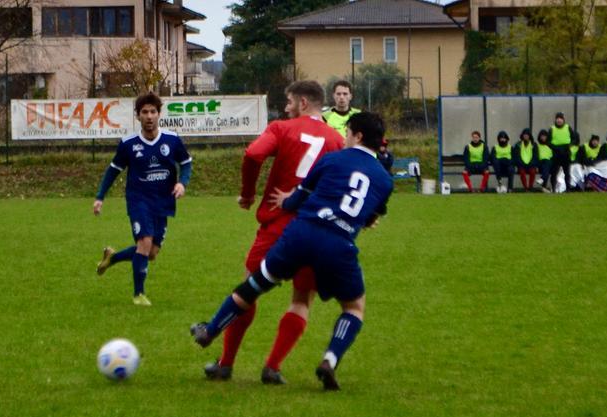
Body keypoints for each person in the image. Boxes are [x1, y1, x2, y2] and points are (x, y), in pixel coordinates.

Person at [191, 112, 394, 391]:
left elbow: (296, 199)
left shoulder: (332, 159)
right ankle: (329, 360)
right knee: (353, 307)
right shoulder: (385, 179)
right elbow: (372, 216)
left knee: (254, 284)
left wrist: (287, 201)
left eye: (348, 133)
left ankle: (210, 330)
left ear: (357, 136)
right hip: (339, 244)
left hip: (302, 233)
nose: (345, 137)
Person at [202, 80, 344, 382]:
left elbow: (253, 155)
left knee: (247, 291)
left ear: (303, 103)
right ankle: (273, 367)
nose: (286, 107)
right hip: (314, 230)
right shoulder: (336, 140)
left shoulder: (282, 128)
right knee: (301, 299)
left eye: (290, 101)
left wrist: (248, 193)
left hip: (277, 225)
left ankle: (226, 363)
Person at [93, 92, 192, 306]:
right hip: (138, 200)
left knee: (151, 253)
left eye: (153, 111)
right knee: (144, 243)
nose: (149, 116)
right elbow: (113, 170)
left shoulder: (172, 140)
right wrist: (100, 197)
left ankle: (113, 257)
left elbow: (186, 163)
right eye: (144, 112)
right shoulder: (128, 143)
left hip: (163, 201)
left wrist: (182, 183)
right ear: (137, 116)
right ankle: (138, 294)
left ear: (159, 114)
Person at [549, 112, 575, 193]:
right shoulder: (552, 129)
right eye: (558, 118)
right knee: (554, 172)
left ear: (563, 120)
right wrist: (554, 148)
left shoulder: (568, 128)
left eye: (561, 118)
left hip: (566, 152)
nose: (559, 120)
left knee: (567, 172)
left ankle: (568, 188)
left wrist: (569, 146)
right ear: (555, 120)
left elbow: (574, 139)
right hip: (556, 152)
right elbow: (548, 141)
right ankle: (553, 188)